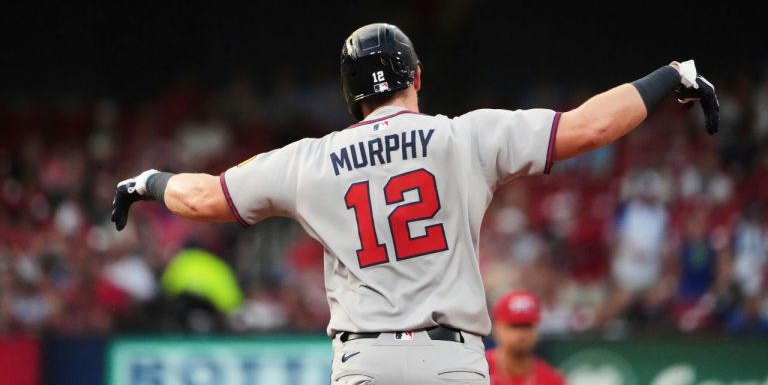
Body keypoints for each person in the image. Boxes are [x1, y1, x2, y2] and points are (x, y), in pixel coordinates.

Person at [111, 23, 719, 384]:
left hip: (365, 361)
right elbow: (588, 127)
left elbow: (207, 196)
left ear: (349, 96)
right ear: (418, 76)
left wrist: (148, 182)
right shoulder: (465, 136)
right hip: (450, 361)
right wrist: (671, 76)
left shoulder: (308, 159)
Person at [487, 290, 565, 385]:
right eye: (514, 326)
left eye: (528, 325)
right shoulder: (478, 368)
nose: (522, 333)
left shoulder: (551, 378)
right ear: (497, 328)